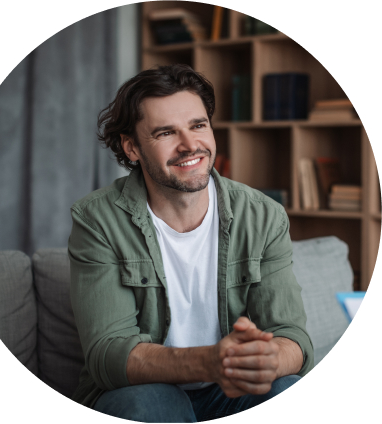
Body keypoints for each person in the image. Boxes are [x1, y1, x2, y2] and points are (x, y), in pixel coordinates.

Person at [68, 64, 313, 422]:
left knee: (286, 389)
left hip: (230, 394)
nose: (189, 146)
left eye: (198, 125)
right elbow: (108, 354)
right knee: (154, 404)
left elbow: (293, 337)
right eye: (166, 132)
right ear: (132, 147)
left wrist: (269, 359)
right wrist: (210, 361)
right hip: (141, 392)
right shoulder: (97, 220)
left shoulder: (264, 216)